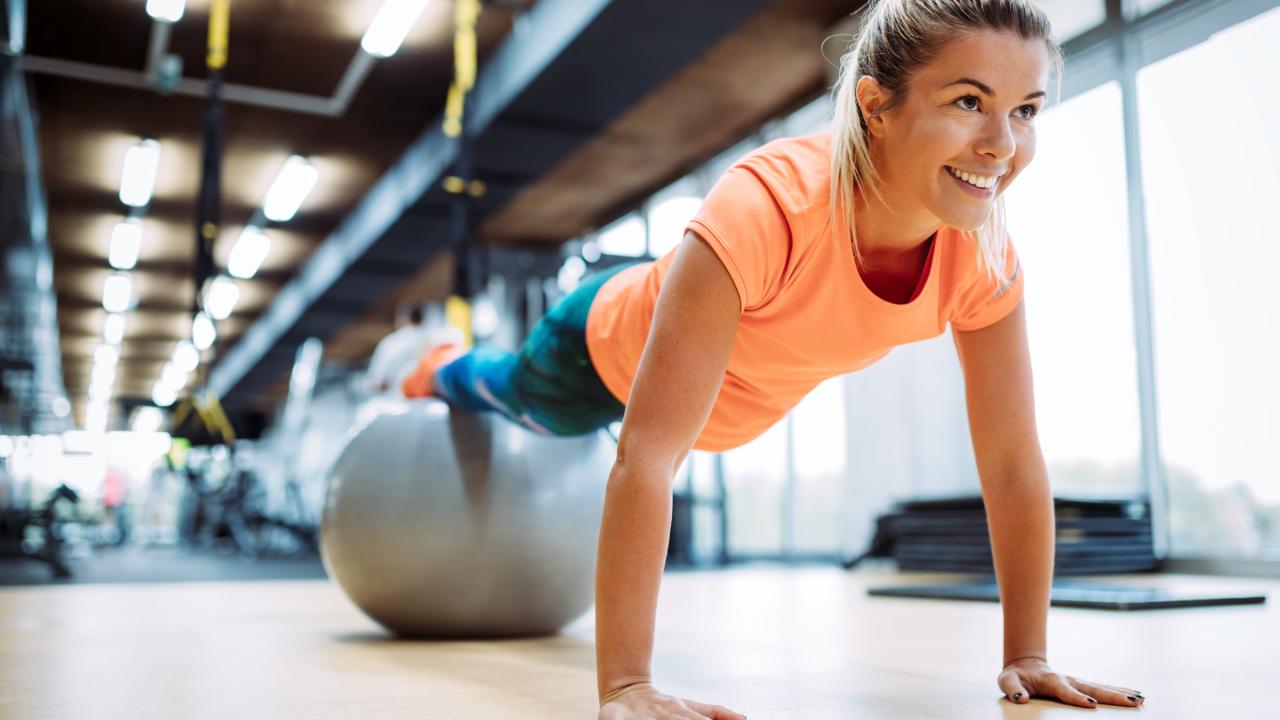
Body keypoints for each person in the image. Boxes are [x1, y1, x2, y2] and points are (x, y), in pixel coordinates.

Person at [402, 1, 1148, 716]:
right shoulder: (768, 208)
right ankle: (435, 367)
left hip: (718, 410)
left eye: (1026, 110)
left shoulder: (983, 257)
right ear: (874, 106)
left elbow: (1012, 462)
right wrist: (626, 684)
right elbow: (647, 456)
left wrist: (1028, 653)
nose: (1001, 145)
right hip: (594, 351)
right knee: (510, 395)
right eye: (967, 102)